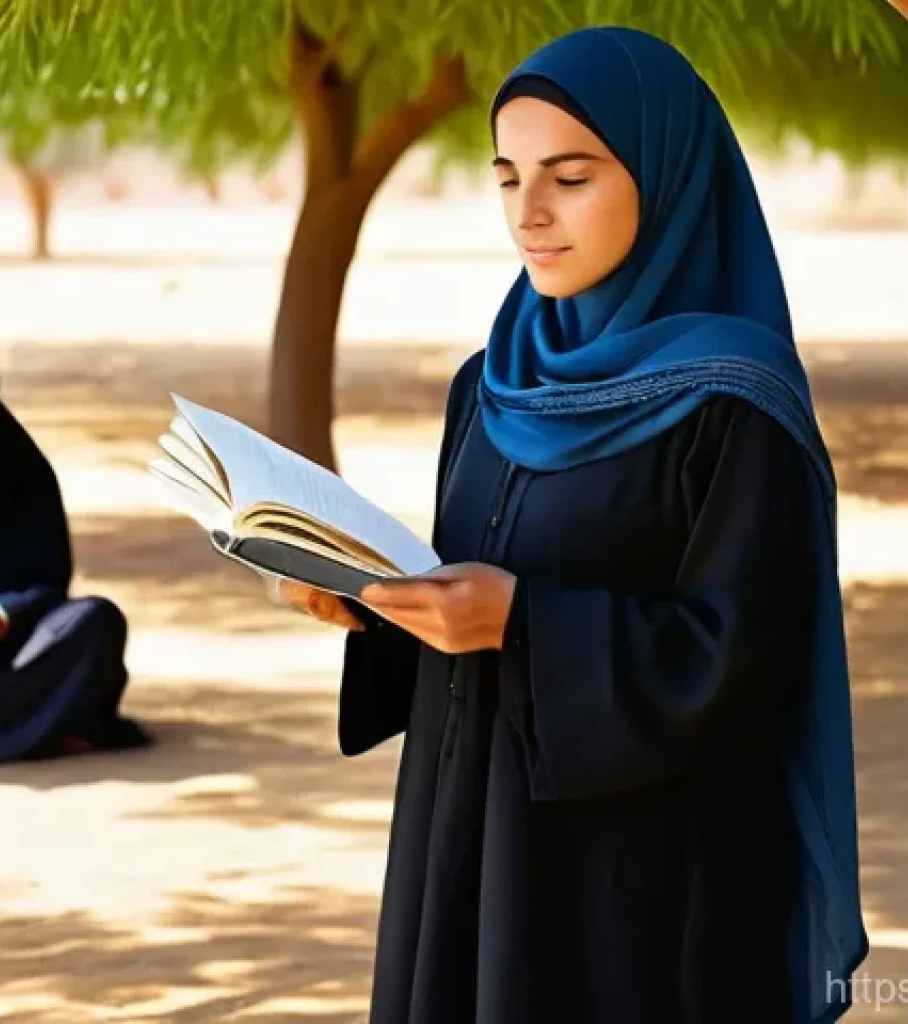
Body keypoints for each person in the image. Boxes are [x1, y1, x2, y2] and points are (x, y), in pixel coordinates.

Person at [278, 27, 867, 1023]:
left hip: (639, 879)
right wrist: (373, 600)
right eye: (507, 177)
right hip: (466, 829)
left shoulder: (735, 406)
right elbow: (477, 573)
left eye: (571, 176)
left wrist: (522, 623)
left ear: (661, 173)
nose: (530, 214)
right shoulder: (489, 383)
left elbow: (740, 667)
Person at [0, 312, 150, 773]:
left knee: (94, 622)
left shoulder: (19, 467)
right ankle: (30, 726)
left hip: (8, 654)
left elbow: (46, 579)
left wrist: (0, 616)